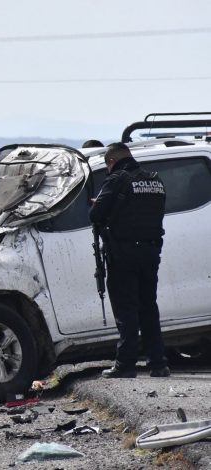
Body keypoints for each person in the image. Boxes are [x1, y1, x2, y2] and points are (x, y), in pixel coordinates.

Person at [89, 142, 169, 378]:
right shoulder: (155, 180)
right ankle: (158, 363)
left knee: (127, 310)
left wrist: (100, 204)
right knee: (148, 307)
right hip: (151, 251)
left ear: (111, 161)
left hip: (123, 254)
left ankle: (125, 365)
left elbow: (95, 215)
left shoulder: (116, 180)